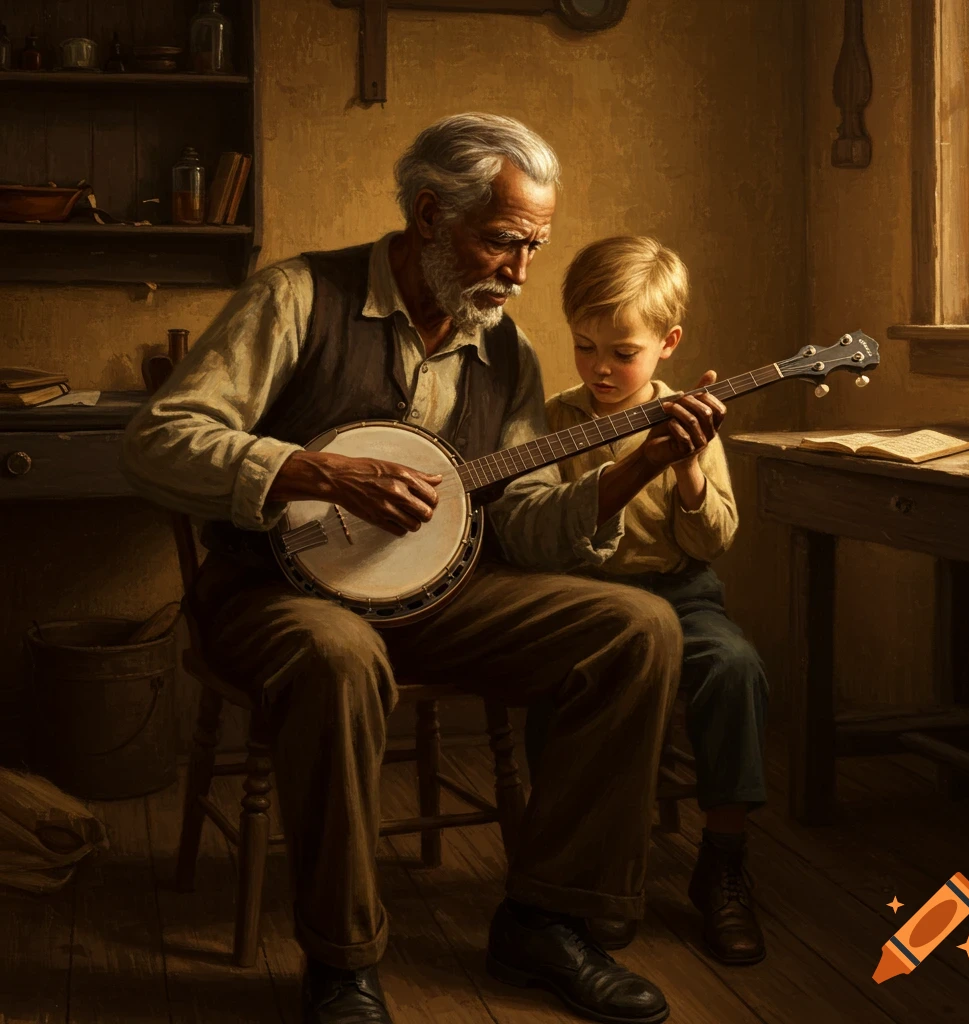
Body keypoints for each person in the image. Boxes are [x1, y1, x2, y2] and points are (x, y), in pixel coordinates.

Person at [121, 115, 725, 1024]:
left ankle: (548, 921)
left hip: (436, 594)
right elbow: (158, 440)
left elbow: (521, 522)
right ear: (430, 213)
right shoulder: (297, 297)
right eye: (502, 242)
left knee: (637, 628)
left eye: (534, 248)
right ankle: (343, 962)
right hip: (276, 592)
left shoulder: (505, 350)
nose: (520, 273)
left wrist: (633, 468)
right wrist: (310, 470)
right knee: (339, 655)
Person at [525, 235, 769, 966]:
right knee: (558, 687)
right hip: (583, 600)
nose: (601, 367)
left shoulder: (692, 416)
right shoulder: (555, 419)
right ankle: (581, 869)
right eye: (584, 346)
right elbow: (538, 530)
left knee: (735, 668)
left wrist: (691, 470)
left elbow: (713, 539)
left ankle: (723, 860)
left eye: (622, 352)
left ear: (667, 345)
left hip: (680, 593)